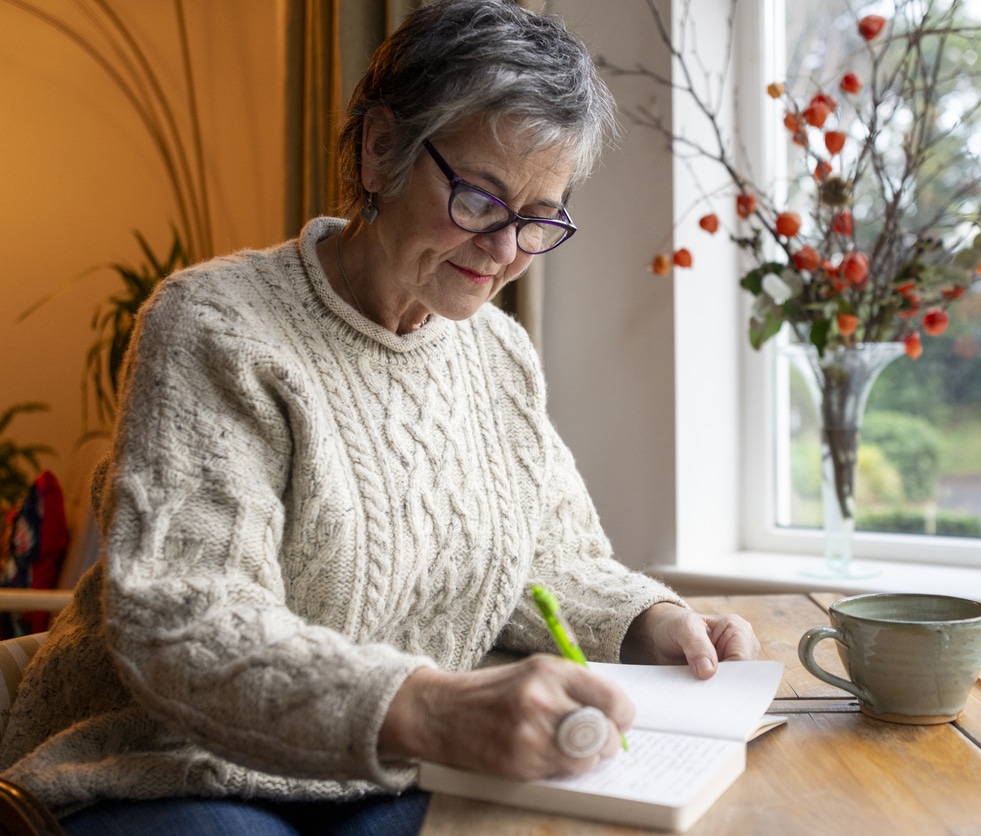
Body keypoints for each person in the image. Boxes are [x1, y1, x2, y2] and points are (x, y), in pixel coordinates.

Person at [0, 1, 761, 833]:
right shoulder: (215, 327)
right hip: (172, 765)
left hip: (391, 770)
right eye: (479, 197)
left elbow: (547, 558)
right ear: (379, 150)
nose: (506, 251)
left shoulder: (496, 354)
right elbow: (189, 619)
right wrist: (432, 709)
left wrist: (654, 621)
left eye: (540, 216)